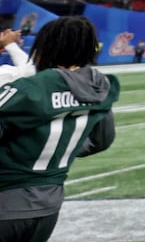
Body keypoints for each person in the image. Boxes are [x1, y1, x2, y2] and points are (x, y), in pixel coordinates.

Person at [0, 16, 119, 242]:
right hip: (49, 207)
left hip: (6, 200)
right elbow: (101, 140)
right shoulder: (97, 86)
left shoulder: (32, 87)